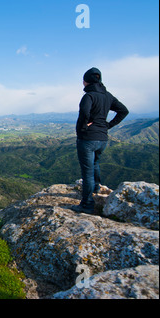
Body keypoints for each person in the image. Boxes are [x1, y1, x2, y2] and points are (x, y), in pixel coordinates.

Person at [72, 67, 129, 214]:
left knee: (87, 172)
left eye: (83, 80)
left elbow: (84, 113)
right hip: (102, 138)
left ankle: (86, 204)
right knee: (95, 163)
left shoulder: (89, 96)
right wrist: (107, 125)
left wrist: (82, 129)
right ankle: (96, 188)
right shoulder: (107, 96)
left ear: (87, 81)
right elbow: (123, 110)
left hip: (88, 139)